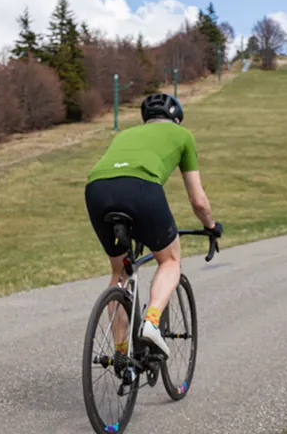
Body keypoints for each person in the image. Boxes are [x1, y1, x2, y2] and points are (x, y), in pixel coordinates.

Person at [84, 92, 222, 358]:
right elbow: (199, 202)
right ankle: (152, 322)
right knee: (170, 260)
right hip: (141, 188)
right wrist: (212, 226)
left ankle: (121, 353)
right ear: (177, 119)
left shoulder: (124, 135)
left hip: (96, 189)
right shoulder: (183, 136)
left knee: (120, 273)